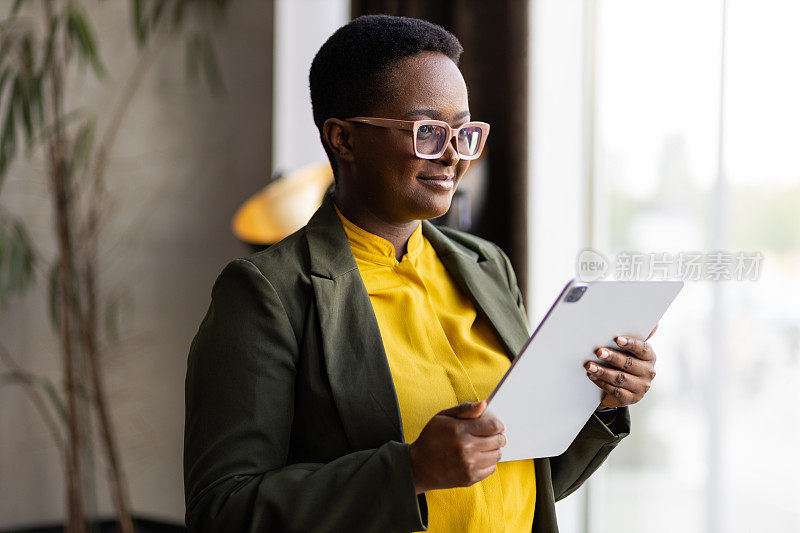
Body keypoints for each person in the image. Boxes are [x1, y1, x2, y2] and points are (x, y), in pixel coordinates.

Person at [183, 14, 658, 533]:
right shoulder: (268, 292)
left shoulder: (486, 266)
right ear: (343, 139)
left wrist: (602, 403)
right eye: (429, 131)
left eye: (464, 131)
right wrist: (408, 472)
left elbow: (528, 481)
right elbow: (222, 511)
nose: (454, 156)